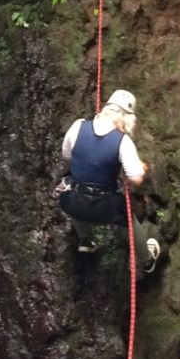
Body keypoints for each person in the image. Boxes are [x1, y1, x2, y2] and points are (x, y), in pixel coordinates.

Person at [58, 88, 161, 268]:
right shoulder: (123, 142)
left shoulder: (78, 126)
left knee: (75, 194)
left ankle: (85, 241)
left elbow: (67, 154)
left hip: (70, 201)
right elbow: (136, 178)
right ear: (127, 119)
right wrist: (138, 166)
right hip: (104, 207)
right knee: (129, 220)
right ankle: (147, 259)